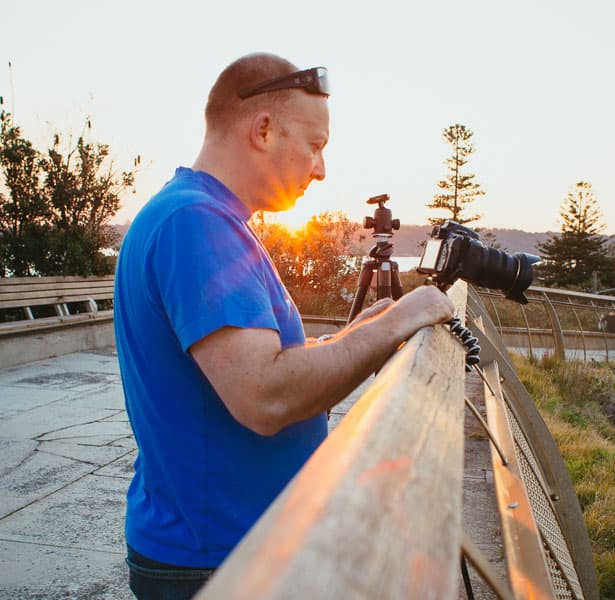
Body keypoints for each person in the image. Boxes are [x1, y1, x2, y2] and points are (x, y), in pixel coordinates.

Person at [113, 53, 454, 599]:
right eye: (316, 146)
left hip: (218, 546)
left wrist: (354, 334)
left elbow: (254, 363)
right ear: (264, 130)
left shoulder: (205, 216)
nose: (321, 169)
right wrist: (395, 325)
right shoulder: (196, 223)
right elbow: (264, 393)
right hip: (215, 560)